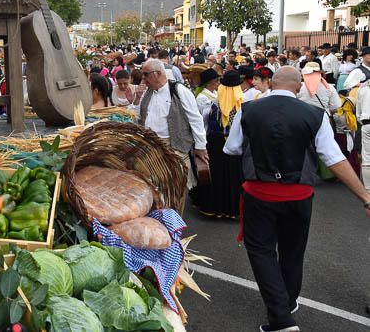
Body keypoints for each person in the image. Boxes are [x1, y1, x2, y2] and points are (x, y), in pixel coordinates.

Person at [223, 66, 370, 332]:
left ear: (272, 83)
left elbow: (231, 148)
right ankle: (287, 303)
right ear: (299, 86)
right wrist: (365, 197)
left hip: (260, 192)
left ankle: (281, 319)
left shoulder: (248, 109)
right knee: (292, 251)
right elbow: (333, 158)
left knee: (262, 251)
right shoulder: (314, 114)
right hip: (299, 194)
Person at [137, 59, 208, 193]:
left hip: (175, 146)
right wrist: (136, 98)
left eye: (146, 74)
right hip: (151, 148)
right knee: (156, 189)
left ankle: (175, 213)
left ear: (158, 73)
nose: (143, 78)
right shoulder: (147, 93)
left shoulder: (179, 90)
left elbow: (195, 119)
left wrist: (200, 146)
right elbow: (140, 117)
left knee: (177, 189)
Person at [190, 70, 244, 218]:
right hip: (235, 143)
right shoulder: (242, 103)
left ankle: (214, 207)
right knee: (233, 176)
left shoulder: (213, 104)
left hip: (215, 143)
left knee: (217, 175)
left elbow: (203, 125)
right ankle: (232, 208)